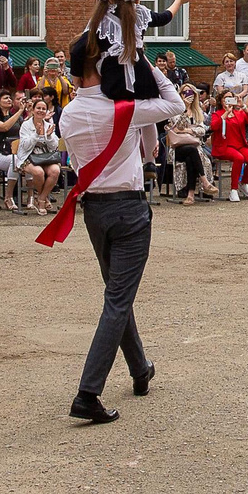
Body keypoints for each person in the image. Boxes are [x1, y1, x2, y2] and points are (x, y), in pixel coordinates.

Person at [46, 31, 183, 424]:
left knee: (116, 295)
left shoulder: (68, 114)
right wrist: (142, 60)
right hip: (129, 209)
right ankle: (88, 392)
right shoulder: (123, 107)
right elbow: (173, 102)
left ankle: (140, 368)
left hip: (95, 211)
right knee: (118, 300)